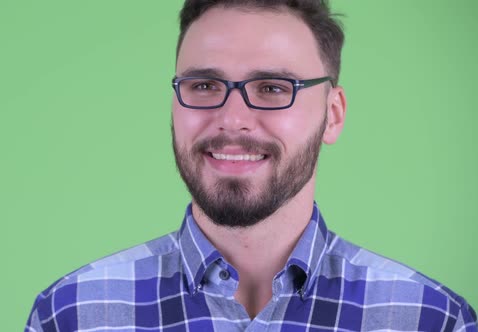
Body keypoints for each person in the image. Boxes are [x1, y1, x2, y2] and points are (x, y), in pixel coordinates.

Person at [25, 0, 477, 331]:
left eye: (273, 88)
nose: (232, 119)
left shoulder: (431, 320)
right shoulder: (72, 315)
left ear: (332, 115)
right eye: (203, 85)